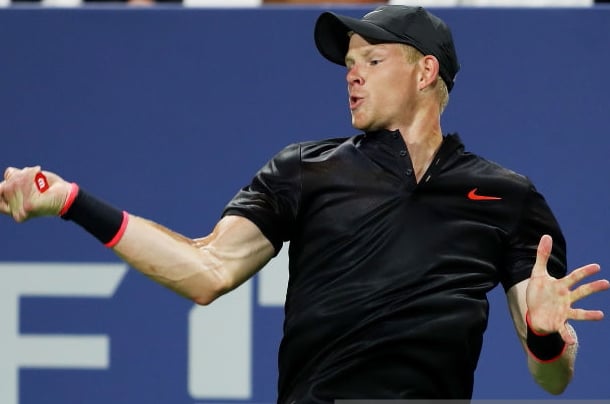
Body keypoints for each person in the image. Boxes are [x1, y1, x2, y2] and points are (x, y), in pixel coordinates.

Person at [1, 5, 608, 403]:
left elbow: (553, 377)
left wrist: (547, 337)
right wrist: (73, 202)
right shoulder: (305, 170)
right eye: (348, 65)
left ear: (426, 72)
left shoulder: (508, 197)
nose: (353, 75)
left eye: (372, 60)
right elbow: (207, 270)